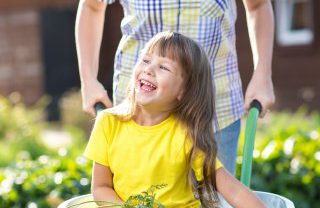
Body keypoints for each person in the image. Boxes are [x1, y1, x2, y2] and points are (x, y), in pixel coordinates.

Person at [84, 31, 312, 208]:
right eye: (145, 60)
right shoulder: (109, 123)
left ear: (183, 92)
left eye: (164, 67)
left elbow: (230, 188)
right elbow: (101, 187)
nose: (149, 69)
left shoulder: (185, 133)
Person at [75, 0, 275, 175]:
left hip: (215, 111)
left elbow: (258, 5)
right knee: (138, 205)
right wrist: (88, 80)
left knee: (216, 207)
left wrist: (263, 75)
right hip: (139, 112)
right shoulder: (110, 124)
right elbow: (92, 6)